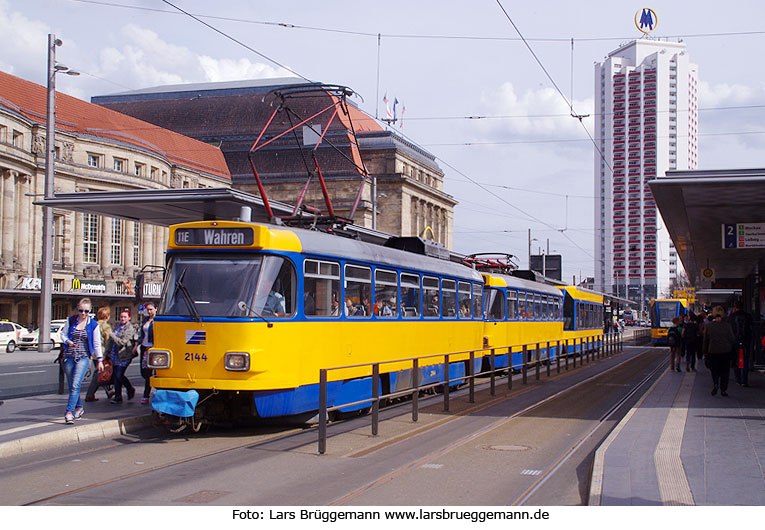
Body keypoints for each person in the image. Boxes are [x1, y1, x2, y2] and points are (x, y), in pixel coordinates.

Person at [59, 298, 103, 424]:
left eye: (86, 311)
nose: (83, 313)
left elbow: (97, 343)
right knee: (72, 385)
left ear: (90, 311)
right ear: (77, 309)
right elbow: (63, 334)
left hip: (83, 357)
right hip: (69, 356)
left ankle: (69, 412)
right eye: (81, 310)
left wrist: (99, 360)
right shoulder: (71, 320)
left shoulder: (93, 325)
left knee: (75, 385)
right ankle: (79, 407)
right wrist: (67, 341)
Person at [703, 305, 736, 396]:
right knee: (725, 371)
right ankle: (723, 389)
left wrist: (705, 352)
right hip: (726, 351)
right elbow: (732, 339)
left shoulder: (709, 326)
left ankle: (715, 384)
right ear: (723, 314)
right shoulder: (727, 326)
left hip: (713, 351)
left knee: (715, 370)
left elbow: (705, 340)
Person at [85, 306, 114, 402]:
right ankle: (90, 394)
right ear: (107, 316)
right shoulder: (106, 327)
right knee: (100, 374)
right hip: (103, 352)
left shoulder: (94, 325)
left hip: (94, 353)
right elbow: (109, 340)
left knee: (102, 373)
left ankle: (109, 391)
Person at [109, 309, 138, 404]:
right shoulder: (118, 326)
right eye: (121, 317)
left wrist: (112, 335)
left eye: (125, 317)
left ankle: (130, 388)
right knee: (116, 377)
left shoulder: (130, 328)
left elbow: (122, 342)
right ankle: (118, 396)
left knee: (119, 375)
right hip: (115, 355)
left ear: (129, 318)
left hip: (124, 355)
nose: (122, 319)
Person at [134, 302, 155, 404]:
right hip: (144, 347)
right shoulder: (145, 320)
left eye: (151, 309)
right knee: (143, 372)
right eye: (148, 309)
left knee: (148, 373)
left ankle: (146, 395)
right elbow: (141, 334)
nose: (149, 311)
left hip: (152, 348)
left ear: (155, 309)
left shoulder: (157, 321)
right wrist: (136, 345)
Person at [729, 301, 753, 387]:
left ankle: (738, 378)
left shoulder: (732, 317)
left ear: (735, 307)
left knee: (736, 359)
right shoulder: (748, 316)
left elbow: (730, 330)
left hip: (735, 341)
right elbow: (751, 329)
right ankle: (744, 380)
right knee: (745, 359)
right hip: (746, 341)